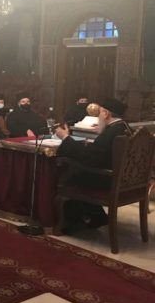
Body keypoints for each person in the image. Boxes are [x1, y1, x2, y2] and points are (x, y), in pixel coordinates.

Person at [55, 98, 132, 232]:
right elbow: (101, 153)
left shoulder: (111, 132)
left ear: (106, 114)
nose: (99, 117)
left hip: (108, 180)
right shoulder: (124, 128)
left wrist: (65, 138)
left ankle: (71, 221)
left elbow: (90, 158)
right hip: (127, 182)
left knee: (71, 177)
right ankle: (97, 216)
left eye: (100, 112)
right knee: (80, 174)